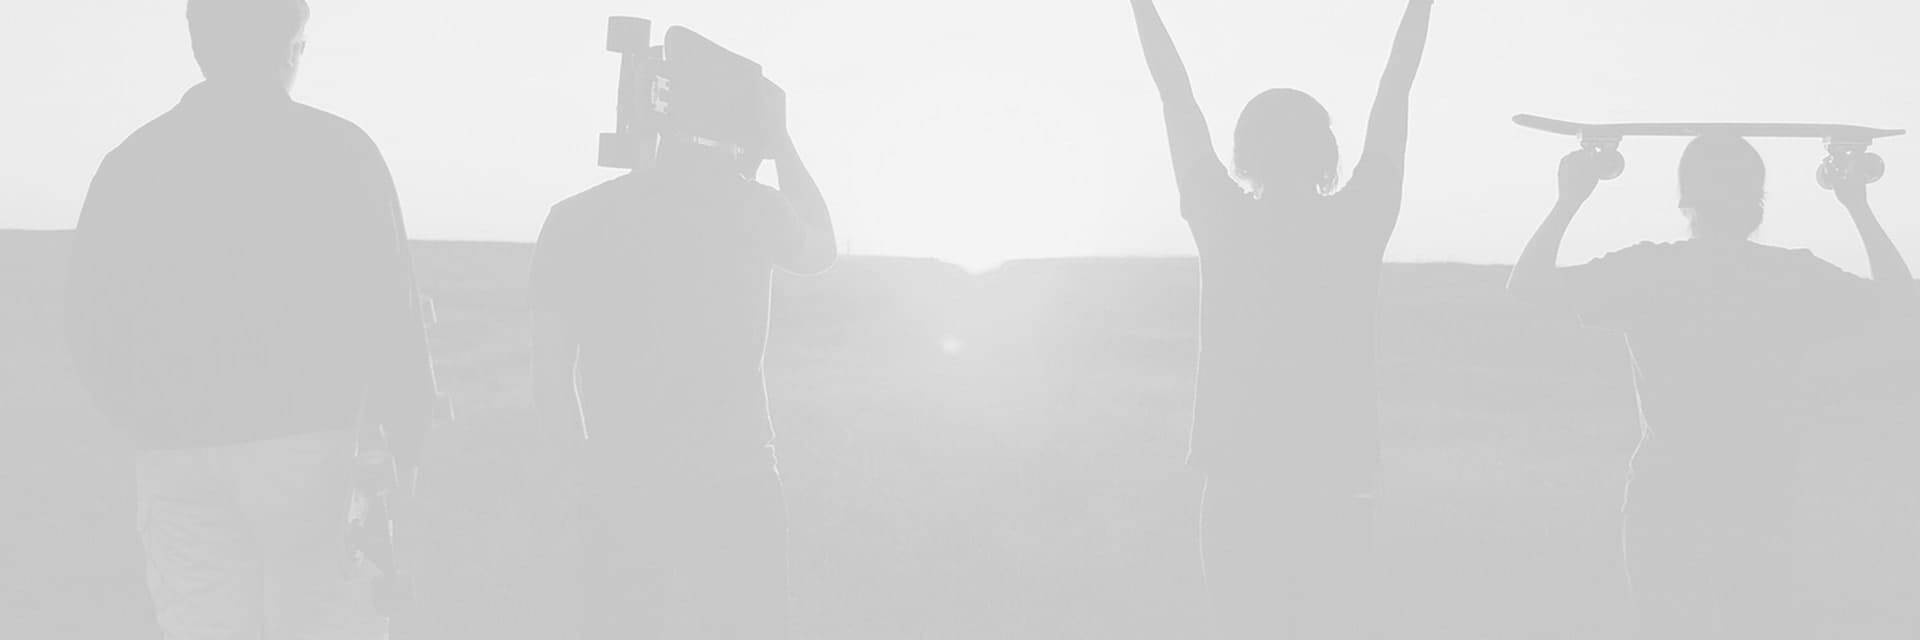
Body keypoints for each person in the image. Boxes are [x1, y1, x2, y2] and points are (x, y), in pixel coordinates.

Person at [62, 0, 436, 638]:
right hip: (314, 451)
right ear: (291, 46)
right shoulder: (341, 151)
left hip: (177, 452)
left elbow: (88, 321)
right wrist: (409, 446)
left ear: (197, 45)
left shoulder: (131, 163)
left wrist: (145, 422)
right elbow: (392, 311)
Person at [1508, 136, 1915, 639]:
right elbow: (1901, 304)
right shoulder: (1790, 276)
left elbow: (1527, 287)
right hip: (1759, 500)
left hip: (1665, 502)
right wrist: (1857, 205)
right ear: (1758, 202)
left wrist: (1569, 200)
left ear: (1685, 200)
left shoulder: (1649, 270)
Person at [1127, 1, 1436, 637]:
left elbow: (1176, 97)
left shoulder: (1220, 216)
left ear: (1243, 153)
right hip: (1336, 481)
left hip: (1238, 481)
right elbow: (1395, 89)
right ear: (1327, 154)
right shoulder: (1360, 218)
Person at [528, 71, 835, 639]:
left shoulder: (574, 219)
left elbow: (550, 377)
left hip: (623, 484)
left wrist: (581, 484)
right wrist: (784, 144)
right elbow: (820, 247)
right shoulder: (753, 208)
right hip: (737, 483)